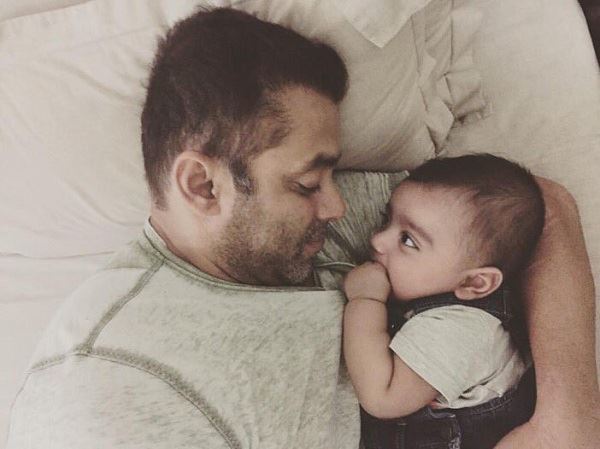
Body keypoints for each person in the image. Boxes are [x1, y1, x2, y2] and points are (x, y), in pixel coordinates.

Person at [6, 7, 599, 449]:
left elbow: (539, 205)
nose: (338, 205)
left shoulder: (317, 230)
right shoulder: (113, 388)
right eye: (308, 183)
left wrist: (568, 422)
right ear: (203, 186)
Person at [343, 154, 544, 449]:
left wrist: (365, 300)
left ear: (474, 283)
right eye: (386, 220)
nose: (377, 240)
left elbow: (382, 397)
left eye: (408, 240)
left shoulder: (458, 330)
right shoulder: (440, 294)